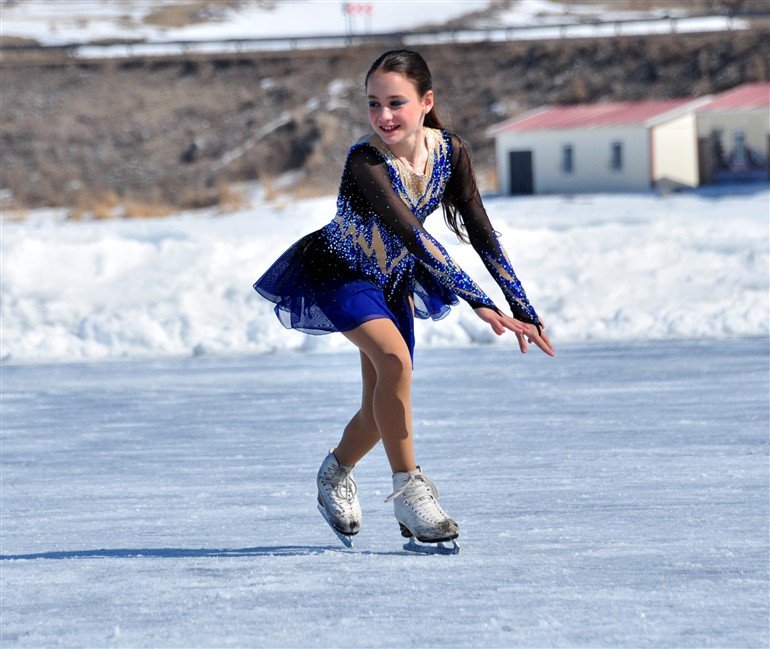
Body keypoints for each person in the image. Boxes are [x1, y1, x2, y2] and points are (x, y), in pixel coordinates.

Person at [253, 49, 554, 549]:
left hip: (392, 281)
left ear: (425, 101)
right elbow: (417, 237)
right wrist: (479, 301)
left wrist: (522, 305)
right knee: (395, 362)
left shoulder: (451, 152)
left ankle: (334, 473)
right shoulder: (366, 160)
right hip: (340, 274)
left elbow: (480, 230)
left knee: (383, 404)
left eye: (396, 103)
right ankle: (411, 494)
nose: (384, 116)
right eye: (374, 104)